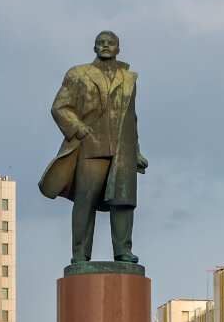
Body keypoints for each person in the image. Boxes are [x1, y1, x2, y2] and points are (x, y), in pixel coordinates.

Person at [39, 30, 148, 265]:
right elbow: (59, 107)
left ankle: (123, 251)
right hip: (91, 145)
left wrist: (136, 150)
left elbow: (132, 117)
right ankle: (80, 253)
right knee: (84, 201)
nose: (106, 46)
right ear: (94, 48)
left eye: (111, 43)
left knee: (124, 202)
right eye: (101, 42)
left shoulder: (128, 78)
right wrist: (78, 128)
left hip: (123, 148)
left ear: (118, 48)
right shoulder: (79, 74)